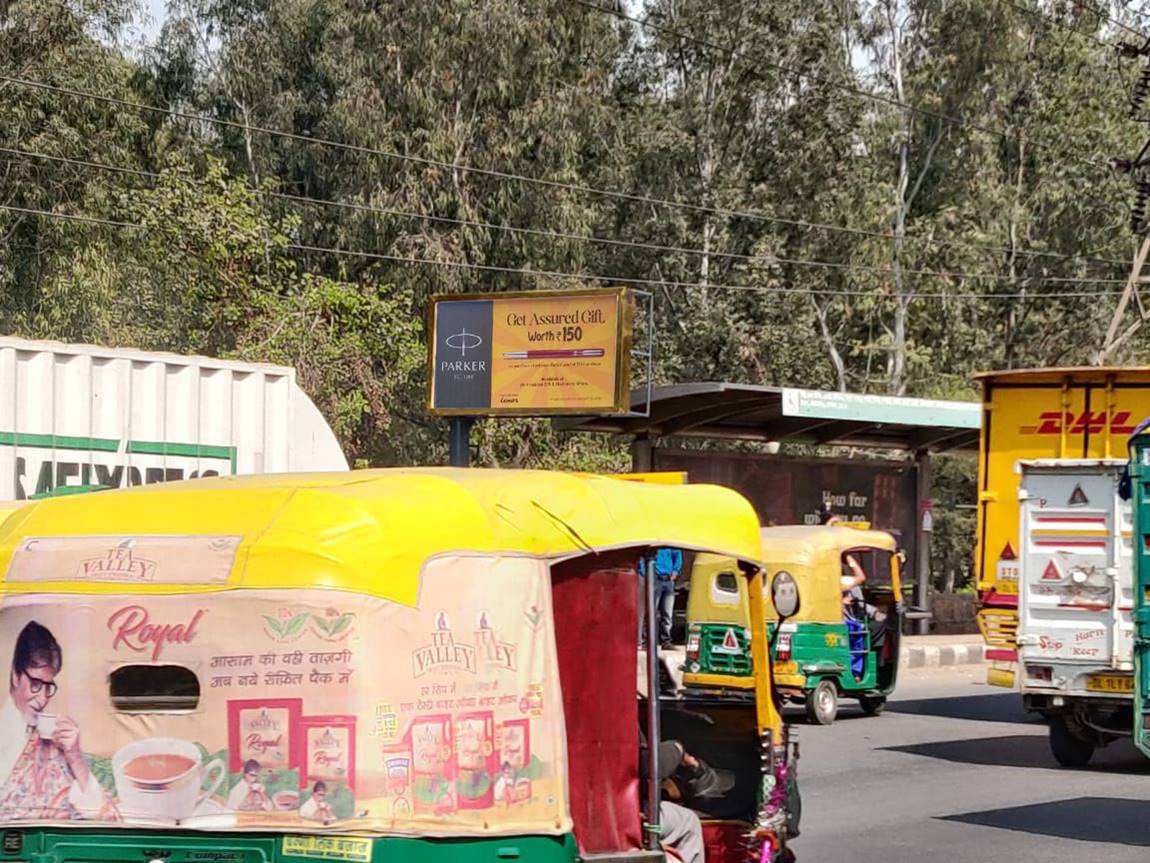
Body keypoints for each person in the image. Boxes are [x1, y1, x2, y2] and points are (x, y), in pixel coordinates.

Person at [0, 621, 106, 819]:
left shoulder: (53, 742)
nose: (42, 699)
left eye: (48, 686)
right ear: (15, 676)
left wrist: (75, 756)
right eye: (35, 684)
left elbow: (100, 816)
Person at [640, 733, 734, 863]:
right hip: (629, 815)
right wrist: (679, 749)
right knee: (688, 821)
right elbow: (650, 766)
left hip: (612, 812)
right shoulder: (620, 722)